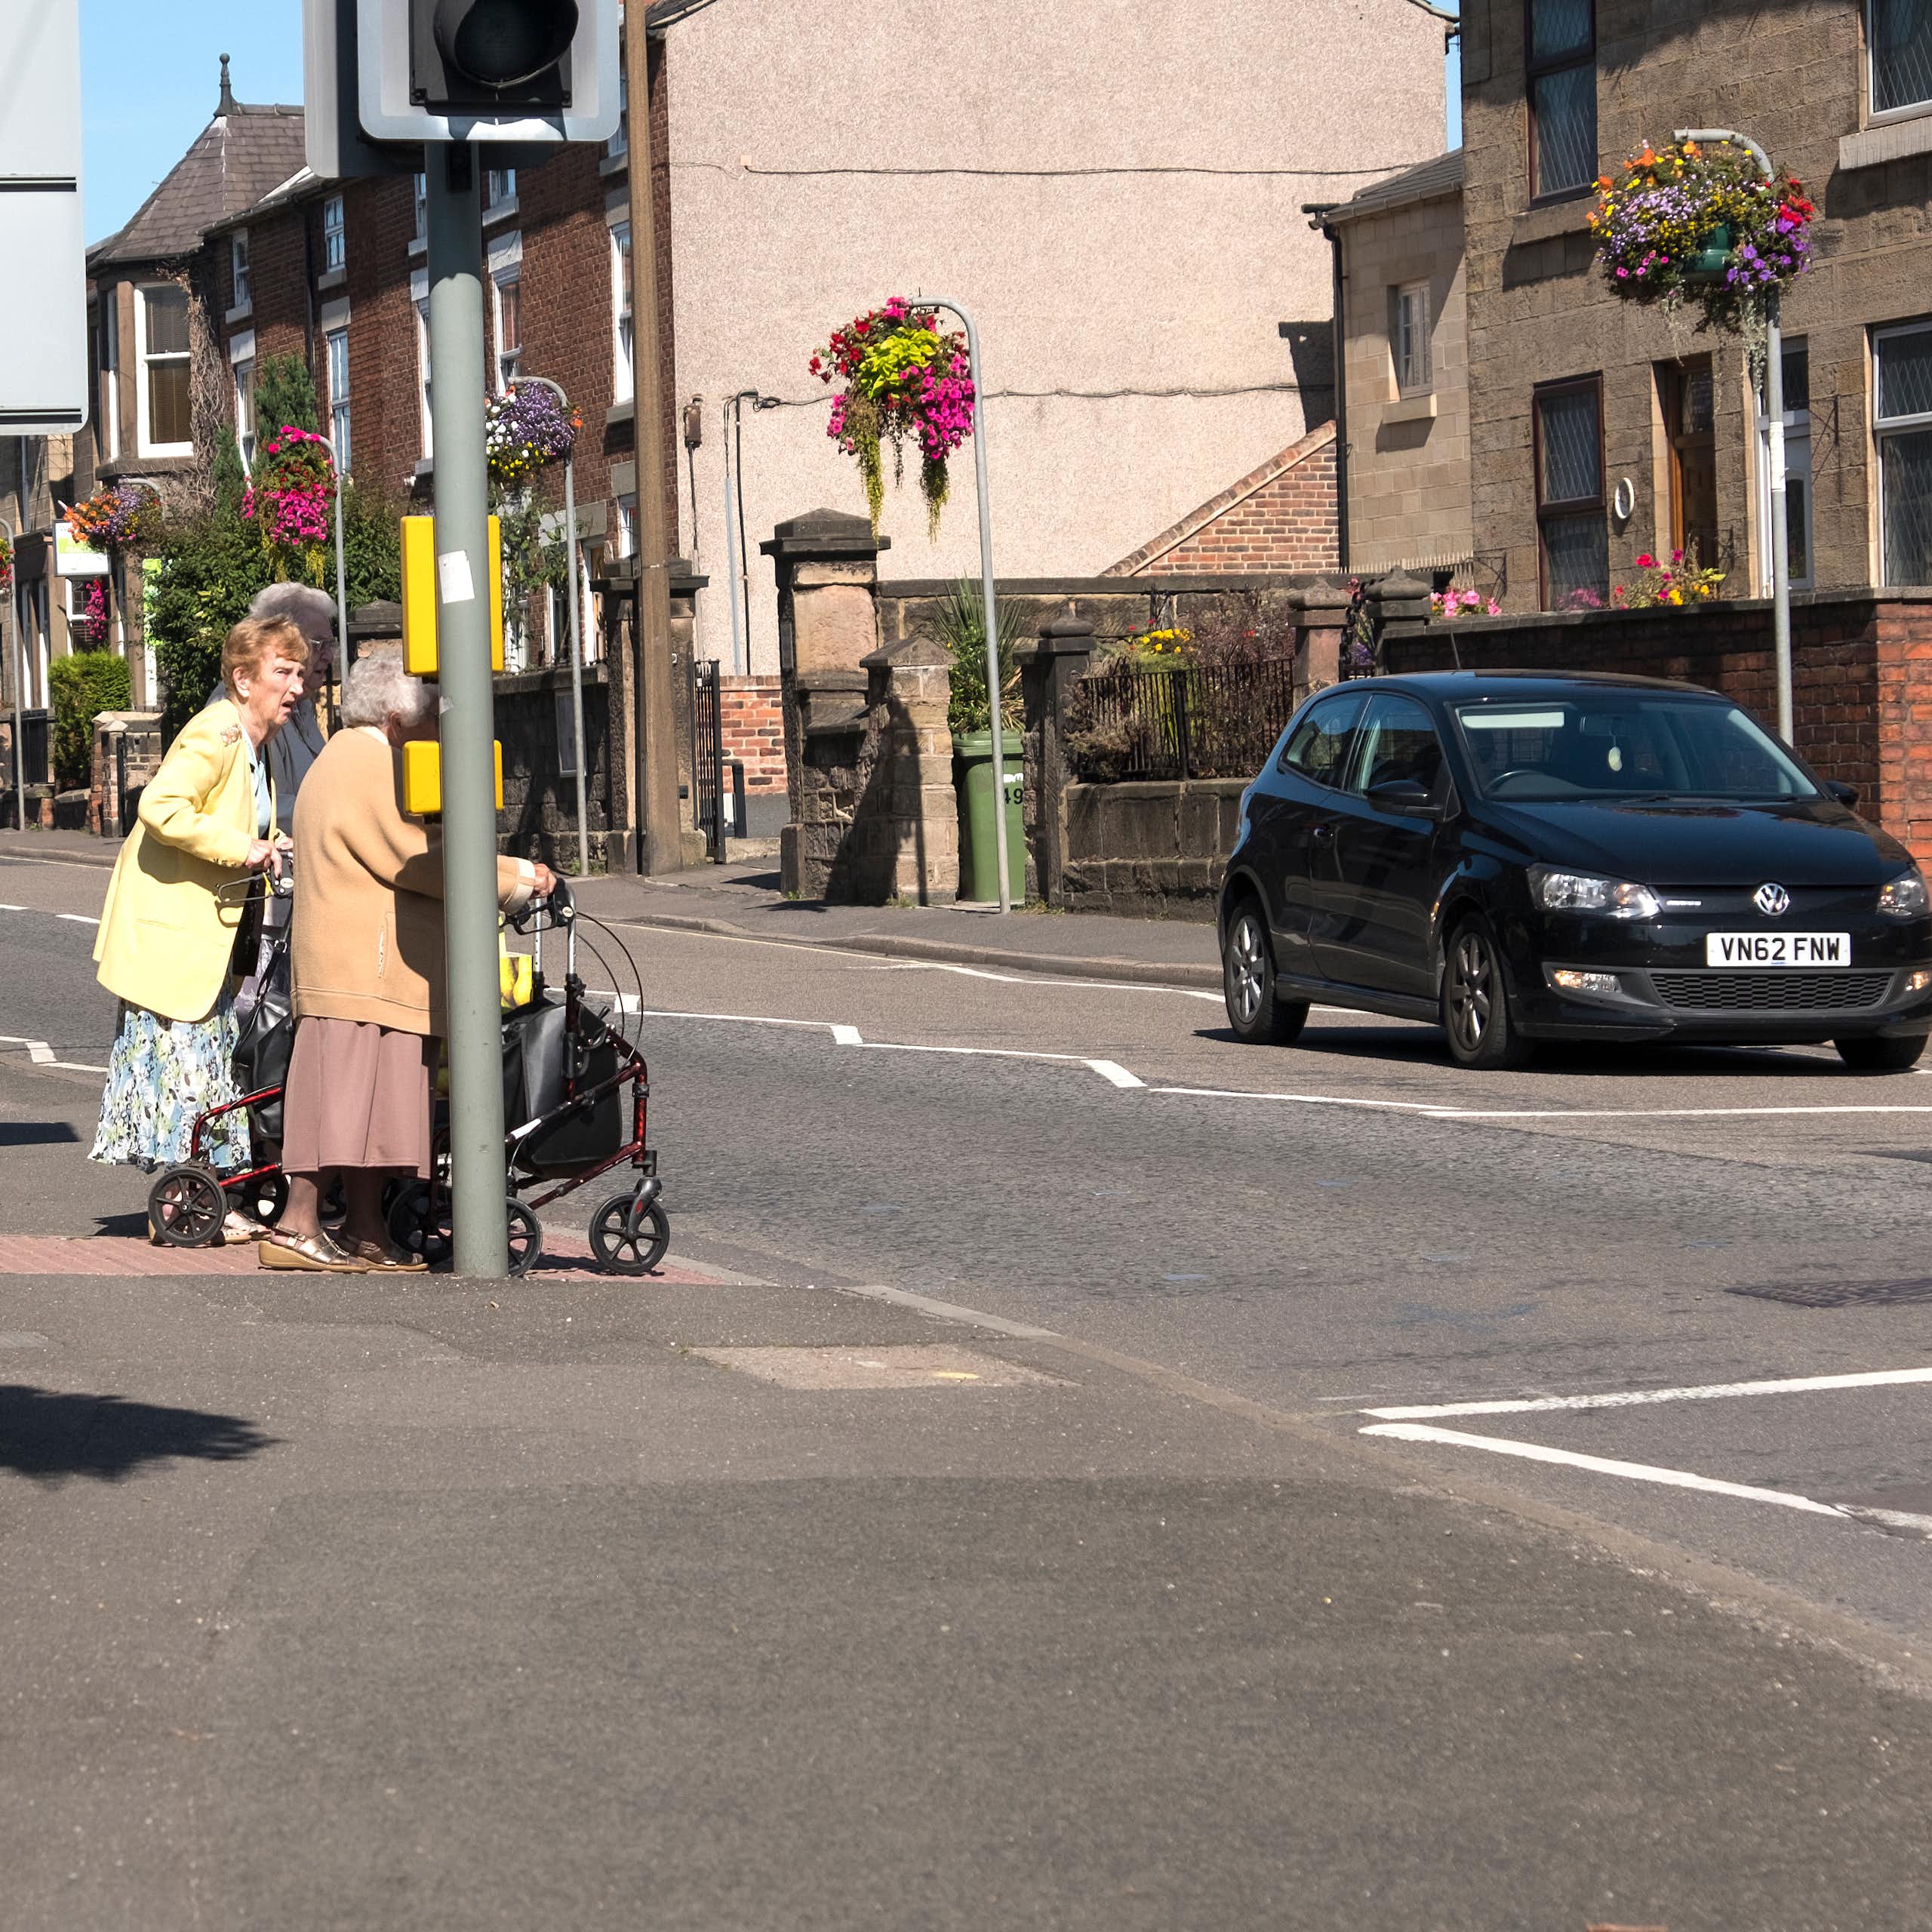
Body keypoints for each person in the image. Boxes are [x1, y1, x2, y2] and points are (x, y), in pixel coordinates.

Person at [264, 653, 555, 1272]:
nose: (431, 729)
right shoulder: (365, 762)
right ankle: (295, 1226)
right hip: (359, 967)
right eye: (425, 716)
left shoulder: (353, 757)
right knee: (339, 1105)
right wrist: (519, 877)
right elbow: (416, 857)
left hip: (371, 970)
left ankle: (366, 1232)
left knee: (372, 1113)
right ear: (396, 715)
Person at [91, 616, 306, 1217]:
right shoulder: (218, 735)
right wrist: (246, 850)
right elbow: (160, 805)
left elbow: (235, 816)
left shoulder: (252, 741)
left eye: (299, 672)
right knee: (189, 1079)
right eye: (282, 673)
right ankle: (191, 1203)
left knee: (204, 1073)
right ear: (243, 679)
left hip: (205, 941)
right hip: (173, 941)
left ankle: (199, 1199)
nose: (296, 687)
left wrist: (276, 842)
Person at [207, 583, 334, 835]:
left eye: (331, 644)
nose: (329, 656)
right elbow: (250, 802)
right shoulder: (237, 706)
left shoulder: (302, 703)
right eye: (319, 644)